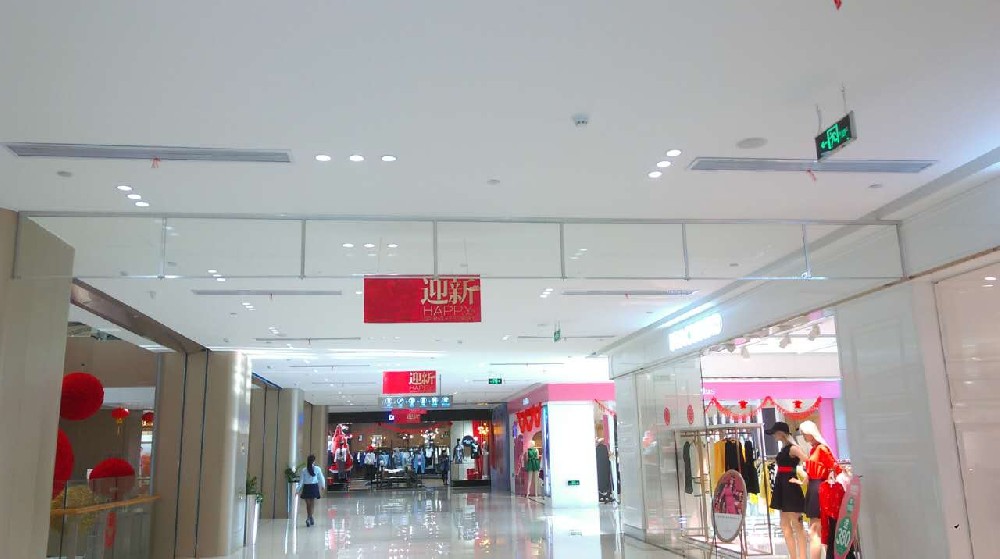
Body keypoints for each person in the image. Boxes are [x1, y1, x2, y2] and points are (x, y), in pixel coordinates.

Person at [766, 421, 809, 559]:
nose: (773, 436)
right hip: (782, 486)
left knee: (797, 525)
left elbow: (808, 461)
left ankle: (802, 557)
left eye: (774, 433)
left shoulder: (793, 448)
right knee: (784, 525)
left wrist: (804, 480)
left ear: (781, 433)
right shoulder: (785, 448)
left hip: (790, 487)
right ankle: (793, 556)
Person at [799, 420, 839, 559]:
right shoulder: (813, 449)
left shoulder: (821, 449)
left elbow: (834, 466)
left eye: (805, 433)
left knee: (815, 530)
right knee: (814, 529)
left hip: (820, 487)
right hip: (813, 488)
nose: (803, 436)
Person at [298, 454, 325, 527]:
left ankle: (309, 518)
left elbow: (301, 481)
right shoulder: (317, 469)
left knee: (308, 505)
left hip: (306, 487)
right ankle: (309, 518)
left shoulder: (304, 470)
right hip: (314, 487)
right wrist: (323, 485)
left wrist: (298, 490)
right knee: (312, 504)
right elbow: (321, 477)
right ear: (314, 461)